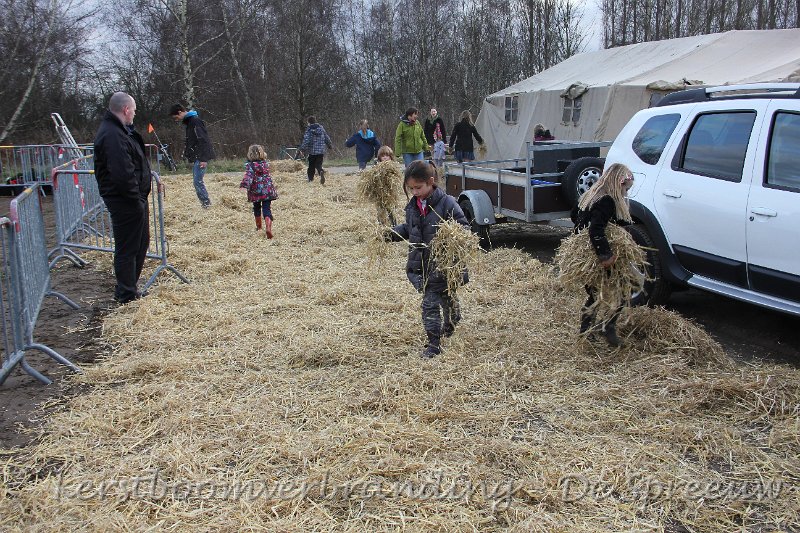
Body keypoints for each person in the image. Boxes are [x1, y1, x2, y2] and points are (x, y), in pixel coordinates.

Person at [389, 160, 469, 359]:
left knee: (434, 303)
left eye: (418, 187)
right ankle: (443, 330)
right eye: (411, 188)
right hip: (422, 266)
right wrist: (389, 234)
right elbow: (409, 228)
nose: (415, 191)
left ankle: (436, 342)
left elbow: (464, 228)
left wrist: (450, 238)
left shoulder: (447, 203)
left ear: (431, 182)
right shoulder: (413, 206)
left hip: (443, 265)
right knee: (437, 300)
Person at [94, 92, 152, 304]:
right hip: (125, 201)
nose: (134, 114)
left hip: (134, 199)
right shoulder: (112, 135)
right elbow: (122, 173)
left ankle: (130, 288)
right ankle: (126, 293)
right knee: (128, 247)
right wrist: (135, 199)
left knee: (141, 242)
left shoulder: (120, 132)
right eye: (134, 110)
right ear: (126, 110)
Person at [570, 163, 635, 347]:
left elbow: (574, 214)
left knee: (595, 293)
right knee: (623, 288)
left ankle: (587, 330)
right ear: (617, 183)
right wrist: (605, 255)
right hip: (596, 254)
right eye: (625, 188)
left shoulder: (591, 194)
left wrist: (580, 230)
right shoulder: (606, 200)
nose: (626, 193)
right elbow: (596, 229)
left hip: (584, 253)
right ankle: (607, 327)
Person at [168, 104, 216, 208]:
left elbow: (203, 139)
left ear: (180, 112)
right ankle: (205, 204)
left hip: (201, 157)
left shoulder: (195, 121)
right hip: (197, 156)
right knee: (197, 181)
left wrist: (203, 158)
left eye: (176, 117)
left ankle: (206, 204)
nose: (176, 120)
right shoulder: (190, 122)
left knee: (197, 182)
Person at [239, 144, 278, 239]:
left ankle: (259, 227)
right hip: (267, 191)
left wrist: (244, 185)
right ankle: (268, 227)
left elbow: (248, 176)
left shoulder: (250, 165)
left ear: (250, 154)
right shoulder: (265, 164)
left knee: (256, 208)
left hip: (256, 192)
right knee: (267, 209)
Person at [299, 115, 333, 184]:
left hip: (312, 152)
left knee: (311, 165)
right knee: (318, 164)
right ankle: (321, 171)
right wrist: (329, 145)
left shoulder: (309, 130)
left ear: (308, 122)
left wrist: (302, 149)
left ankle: (310, 179)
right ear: (315, 121)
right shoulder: (321, 128)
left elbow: (306, 141)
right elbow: (326, 137)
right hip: (321, 151)